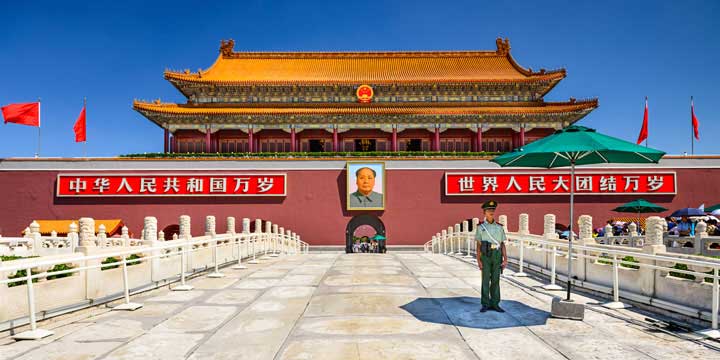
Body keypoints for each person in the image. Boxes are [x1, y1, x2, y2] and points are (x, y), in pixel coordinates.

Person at [475, 200, 508, 313]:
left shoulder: (499, 227)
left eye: (493, 210)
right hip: (485, 255)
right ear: (484, 212)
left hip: (497, 254)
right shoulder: (480, 227)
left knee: (495, 279)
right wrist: (478, 260)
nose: (491, 212)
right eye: (489, 210)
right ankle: (485, 303)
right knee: (485, 280)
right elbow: (478, 244)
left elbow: (502, 243)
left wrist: (505, 259)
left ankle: (495, 303)